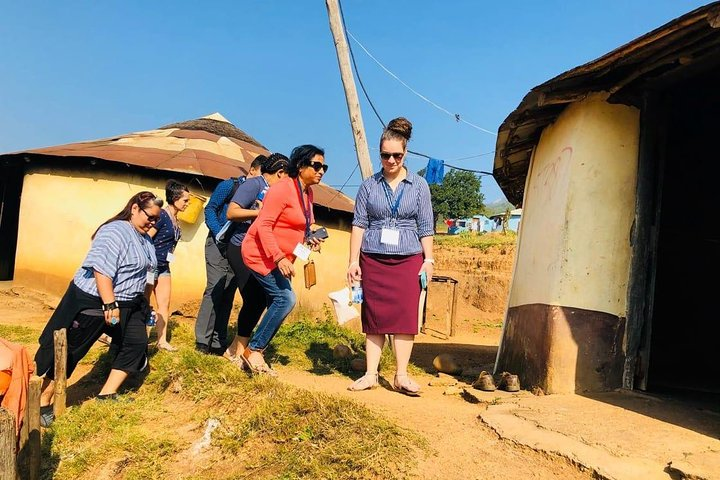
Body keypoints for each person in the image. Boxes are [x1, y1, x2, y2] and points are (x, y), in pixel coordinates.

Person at [34, 191, 162, 426]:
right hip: (97, 301)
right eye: (149, 217)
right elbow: (101, 270)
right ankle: (43, 399)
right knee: (72, 350)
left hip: (129, 303)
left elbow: (148, 273)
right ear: (134, 209)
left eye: (156, 219)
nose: (152, 222)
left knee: (136, 343)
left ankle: (106, 394)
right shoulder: (114, 231)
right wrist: (110, 303)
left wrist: (145, 303)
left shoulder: (145, 239)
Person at [346, 117, 434, 395]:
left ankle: (401, 375)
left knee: (405, 316)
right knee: (374, 316)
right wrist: (352, 261)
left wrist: (428, 260)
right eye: (386, 155)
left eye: (397, 155)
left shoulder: (419, 186)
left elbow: (426, 226)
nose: (392, 160)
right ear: (379, 153)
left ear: (405, 153)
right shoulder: (368, 186)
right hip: (373, 258)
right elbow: (359, 224)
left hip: (409, 258)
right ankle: (371, 374)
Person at [240, 145, 327, 375]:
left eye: (324, 167)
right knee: (285, 298)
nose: (321, 171)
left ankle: (250, 356)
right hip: (261, 255)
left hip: (283, 258)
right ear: (300, 166)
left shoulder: (307, 193)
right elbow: (263, 226)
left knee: (275, 303)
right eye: (316, 165)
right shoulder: (282, 189)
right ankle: (253, 350)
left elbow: (303, 224)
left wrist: (311, 236)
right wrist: (279, 257)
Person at [195, 155, 265, 354]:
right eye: (262, 175)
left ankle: (218, 341)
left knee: (228, 291)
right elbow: (210, 209)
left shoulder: (261, 196)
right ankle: (202, 340)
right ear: (252, 170)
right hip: (218, 242)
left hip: (239, 248)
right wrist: (219, 234)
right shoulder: (230, 186)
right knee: (215, 287)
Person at [224, 153, 290, 365]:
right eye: (287, 177)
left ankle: (236, 347)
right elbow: (231, 212)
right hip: (241, 246)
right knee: (254, 298)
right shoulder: (254, 185)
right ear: (279, 173)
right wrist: (258, 215)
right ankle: (239, 350)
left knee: (259, 299)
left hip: (262, 251)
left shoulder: (278, 192)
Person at [147, 179, 190, 351]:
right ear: (175, 198)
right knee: (142, 303)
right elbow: (147, 237)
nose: (188, 204)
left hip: (165, 266)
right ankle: (138, 340)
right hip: (151, 266)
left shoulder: (175, 219)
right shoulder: (162, 216)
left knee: (164, 304)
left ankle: (162, 341)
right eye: (185, 200)